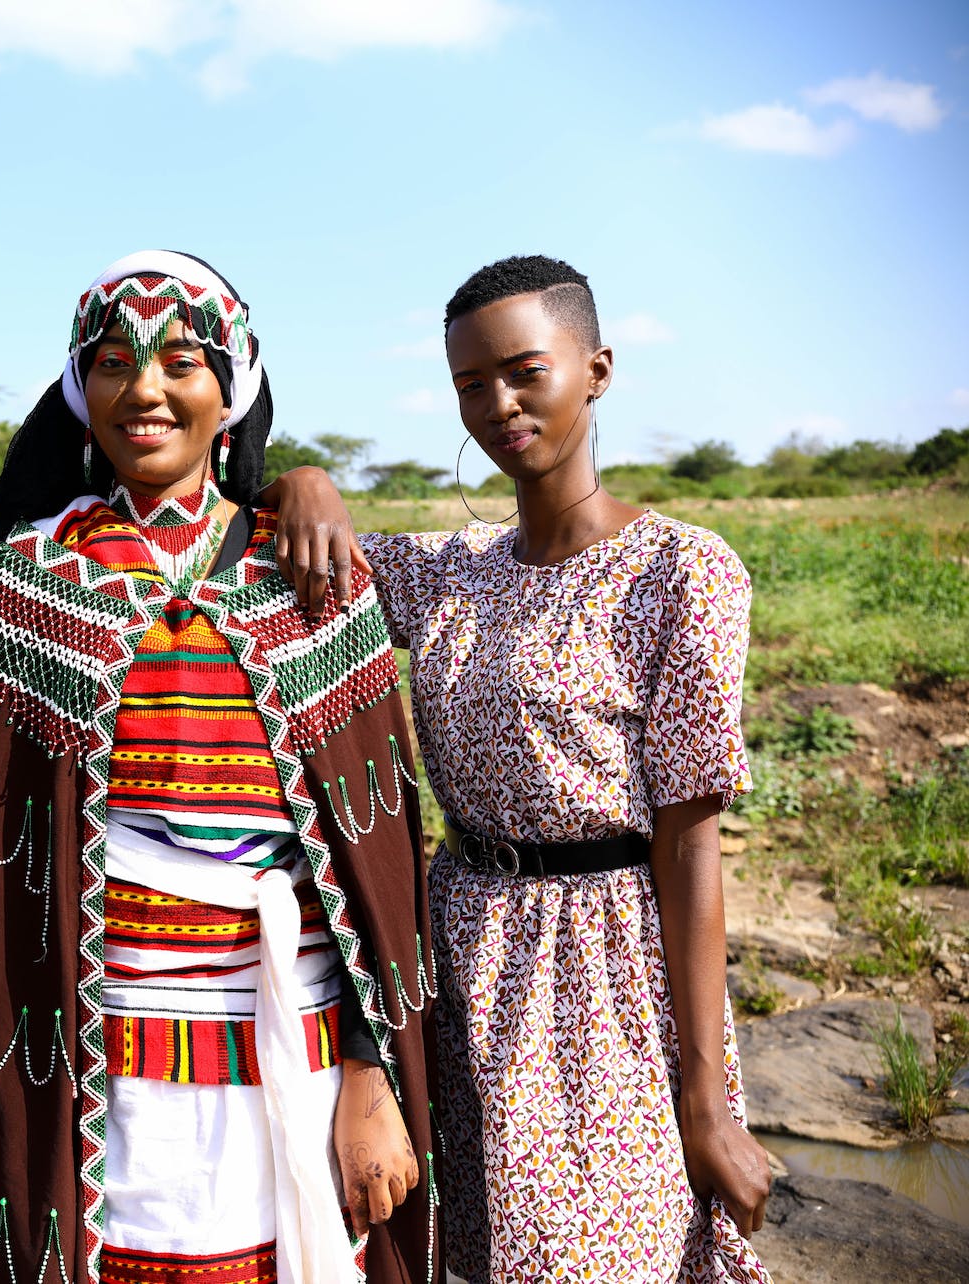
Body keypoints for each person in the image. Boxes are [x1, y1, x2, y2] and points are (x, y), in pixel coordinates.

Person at [0, 251, 437, 1284]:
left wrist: (372, 1079)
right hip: (89, 1066)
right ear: (78, 389)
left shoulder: (316, 577)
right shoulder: (27, 580)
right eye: (111, 361)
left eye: (181, 361)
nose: (144, 389)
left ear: (231, 386)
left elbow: (382, 870)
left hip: (299, 1049)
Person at [327, 255, 770, 1281]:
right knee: (471, 1251)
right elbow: (282, 546)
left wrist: (702, 1099)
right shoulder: (442, 575)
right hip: (456, 951)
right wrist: (303, 481)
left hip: (602, 970)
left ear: (596, 368)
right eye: (469, 385)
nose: (498, 404)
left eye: (523, 371)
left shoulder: (678, 571)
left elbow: (689, 844)